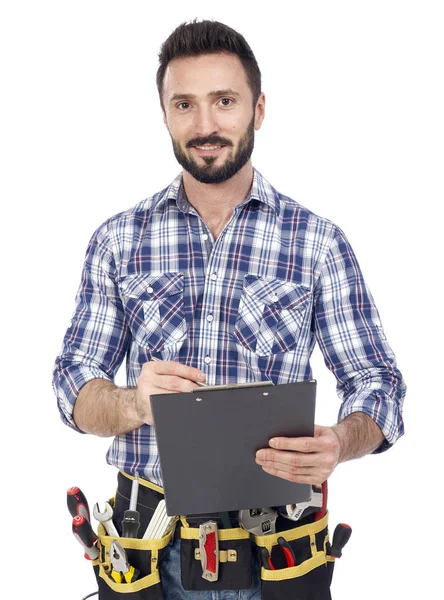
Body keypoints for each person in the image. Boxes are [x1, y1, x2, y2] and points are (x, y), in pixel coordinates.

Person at [53, 19, 406, 599]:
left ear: (258, 109)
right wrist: (131, 402)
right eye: (184, 104)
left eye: (224, 101)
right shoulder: (118, 240)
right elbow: (73, 388)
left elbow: (380, 385)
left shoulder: (317, 242)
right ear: (164, 113)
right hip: (149, 558)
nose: (206, 125)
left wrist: (339, 442)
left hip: (278, 557)